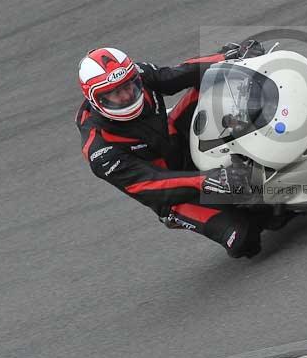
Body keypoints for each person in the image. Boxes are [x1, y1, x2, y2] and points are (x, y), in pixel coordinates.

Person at [75, 41, 268, 258]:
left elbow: (178, 75)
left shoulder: (137, 73)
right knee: (244, 238)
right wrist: (208, 180)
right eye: (115, 94)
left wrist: (228, 58)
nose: (127, 96)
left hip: (174, 138)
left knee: (225, 76)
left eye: (129, 86)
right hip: (173, 195)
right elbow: (150, 183)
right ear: (96, 99)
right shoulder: (99, 148)